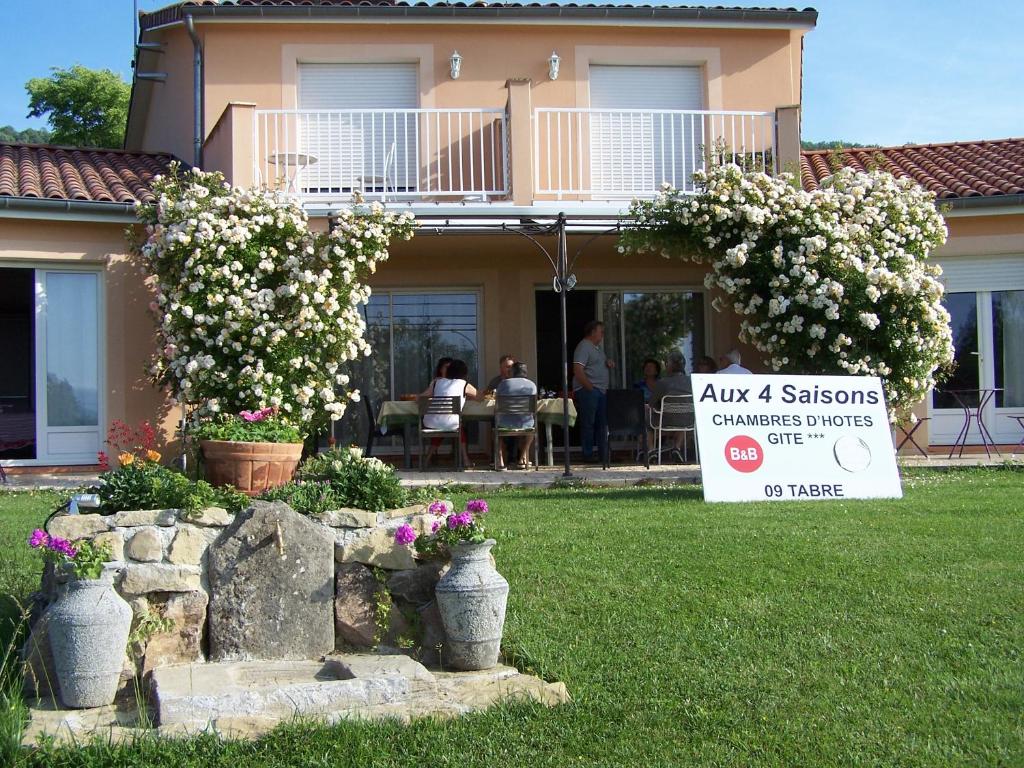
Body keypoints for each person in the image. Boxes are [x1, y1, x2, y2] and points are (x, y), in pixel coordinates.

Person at [423, 358, 478, 468]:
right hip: (451, 424)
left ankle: (426, 460)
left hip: (431, 423)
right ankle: (466, 460)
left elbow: (423, 397)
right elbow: (479, 396)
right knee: (457, 427)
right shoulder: (463, 384)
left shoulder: (436, 382)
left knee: (443, 426)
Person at [573, 320, 615, 463]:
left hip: (600, 391)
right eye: (601, 332)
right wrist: (590, 387)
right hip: (589, 391)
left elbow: (594, 365)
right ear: (592, 332)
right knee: (589, 424)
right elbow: (578, 370)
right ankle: (588, 454)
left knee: (602, 424)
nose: (603, 335)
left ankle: (604, 455)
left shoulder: (597, 348)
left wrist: (607, 363)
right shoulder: (584, 346)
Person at [648, 349, 694, 463]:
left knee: (646, 415)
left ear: (670, 366)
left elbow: (651, 404)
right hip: (688, 422)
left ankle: (651, 451)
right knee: (683, 415)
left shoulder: (662, 383)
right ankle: (676, 447)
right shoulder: (692, 382)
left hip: (665, 422)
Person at [495, 361, 538, 470]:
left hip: (505, 424)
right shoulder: (532, 385)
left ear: (512, 372)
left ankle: (500, 461)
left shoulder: (503, 384)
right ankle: (523, 457)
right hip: (525, 424)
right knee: (532, 427)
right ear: (525, 372)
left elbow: (497, 403)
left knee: (496, 427)